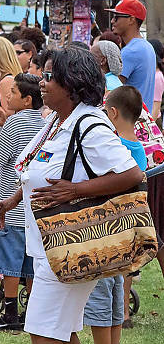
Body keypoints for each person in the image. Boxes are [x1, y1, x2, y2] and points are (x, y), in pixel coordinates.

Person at [0, 47, 143, 344]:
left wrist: (75, 190)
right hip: (49, 244)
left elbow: (132, 173)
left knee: (43, 332)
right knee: (58, 331)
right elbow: (35, 168)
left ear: (72, 84)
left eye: (50, 76)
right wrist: (13, 200)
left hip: (69, 244)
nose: (42, 82)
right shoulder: (56, 120)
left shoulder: (90, 125)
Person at [80, 86, 147, 344]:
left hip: (106, 232)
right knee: (117, 293)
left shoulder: (114, 147)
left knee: (101, 295)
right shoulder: (139, 150)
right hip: (126, 233)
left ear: (113, 113)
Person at [0, 73, 44, 331]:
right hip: (32, 207)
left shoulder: (13, 124)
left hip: (10, 205)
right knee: (30, 263)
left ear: (27, 99)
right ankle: (30, 312)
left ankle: (10, 313)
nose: (7, 96)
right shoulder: (45, 123)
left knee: (10, 264)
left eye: (13, 93)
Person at [106, 0, 156, 110]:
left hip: (129, 121)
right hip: (141, 121)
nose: (112, 21)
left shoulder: (131, 51)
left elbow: (111, 91)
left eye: (116, 17)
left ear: (131, 20)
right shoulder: (147, 46)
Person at [149, 39, 164, 121]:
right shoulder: (152, 73)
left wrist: (150, 127)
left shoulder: (158, 77)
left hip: (153, 119)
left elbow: (156, 105)